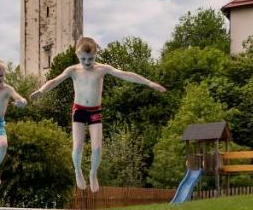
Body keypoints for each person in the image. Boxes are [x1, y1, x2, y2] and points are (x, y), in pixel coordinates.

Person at [30, 36, 165, 191]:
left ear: (96, 55)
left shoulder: (102, 69)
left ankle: (93, 173)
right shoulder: (73, 70)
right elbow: (54, 81)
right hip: (79, 110)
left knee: (97, 147)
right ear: (78, 55)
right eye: (84, 59)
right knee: (78, 146)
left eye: (91, 59)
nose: (87, 62)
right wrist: (42, 90)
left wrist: (149, 83)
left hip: (95, 110)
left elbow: (127, 74)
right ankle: (77, 170)